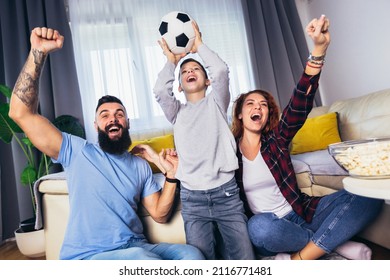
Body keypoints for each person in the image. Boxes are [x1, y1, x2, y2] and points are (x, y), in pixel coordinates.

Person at [9, 27, 204, 260]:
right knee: (143, 262)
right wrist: (37, 53)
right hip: (89, 255)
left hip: (137, 246)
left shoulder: (140, 166)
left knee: (192, 256)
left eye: (119, 114)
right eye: (105, 115)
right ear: (96, 125)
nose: (113, 118)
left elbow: (160, 215)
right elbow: (20, 113)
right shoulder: (77, 151)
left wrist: (171, 176)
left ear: (128, 122)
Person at [231, 15, 383, 260]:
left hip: (301, 212)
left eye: (263, 104)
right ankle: (331, 244)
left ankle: (301, 258)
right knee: (258, 228)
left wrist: (319, 49)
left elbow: (299, 105)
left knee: (368, 194)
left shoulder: (276, 141)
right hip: (272, 227)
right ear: (240, 113)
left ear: (268, 114)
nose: (257, 107)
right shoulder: (230, 153)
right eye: (250, 103)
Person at [153, 21, 255, 260]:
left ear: (207, 81)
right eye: (185, 71)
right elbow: (159, 91)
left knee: (245, 258)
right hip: (192, 198)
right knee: (201, 259)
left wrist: (198, 46)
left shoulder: (218, 103)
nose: (190, 72)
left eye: (196, 70)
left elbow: (219, 70)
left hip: (226, 195)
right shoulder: (176, 112)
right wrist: (172, 60)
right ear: (179, 85)